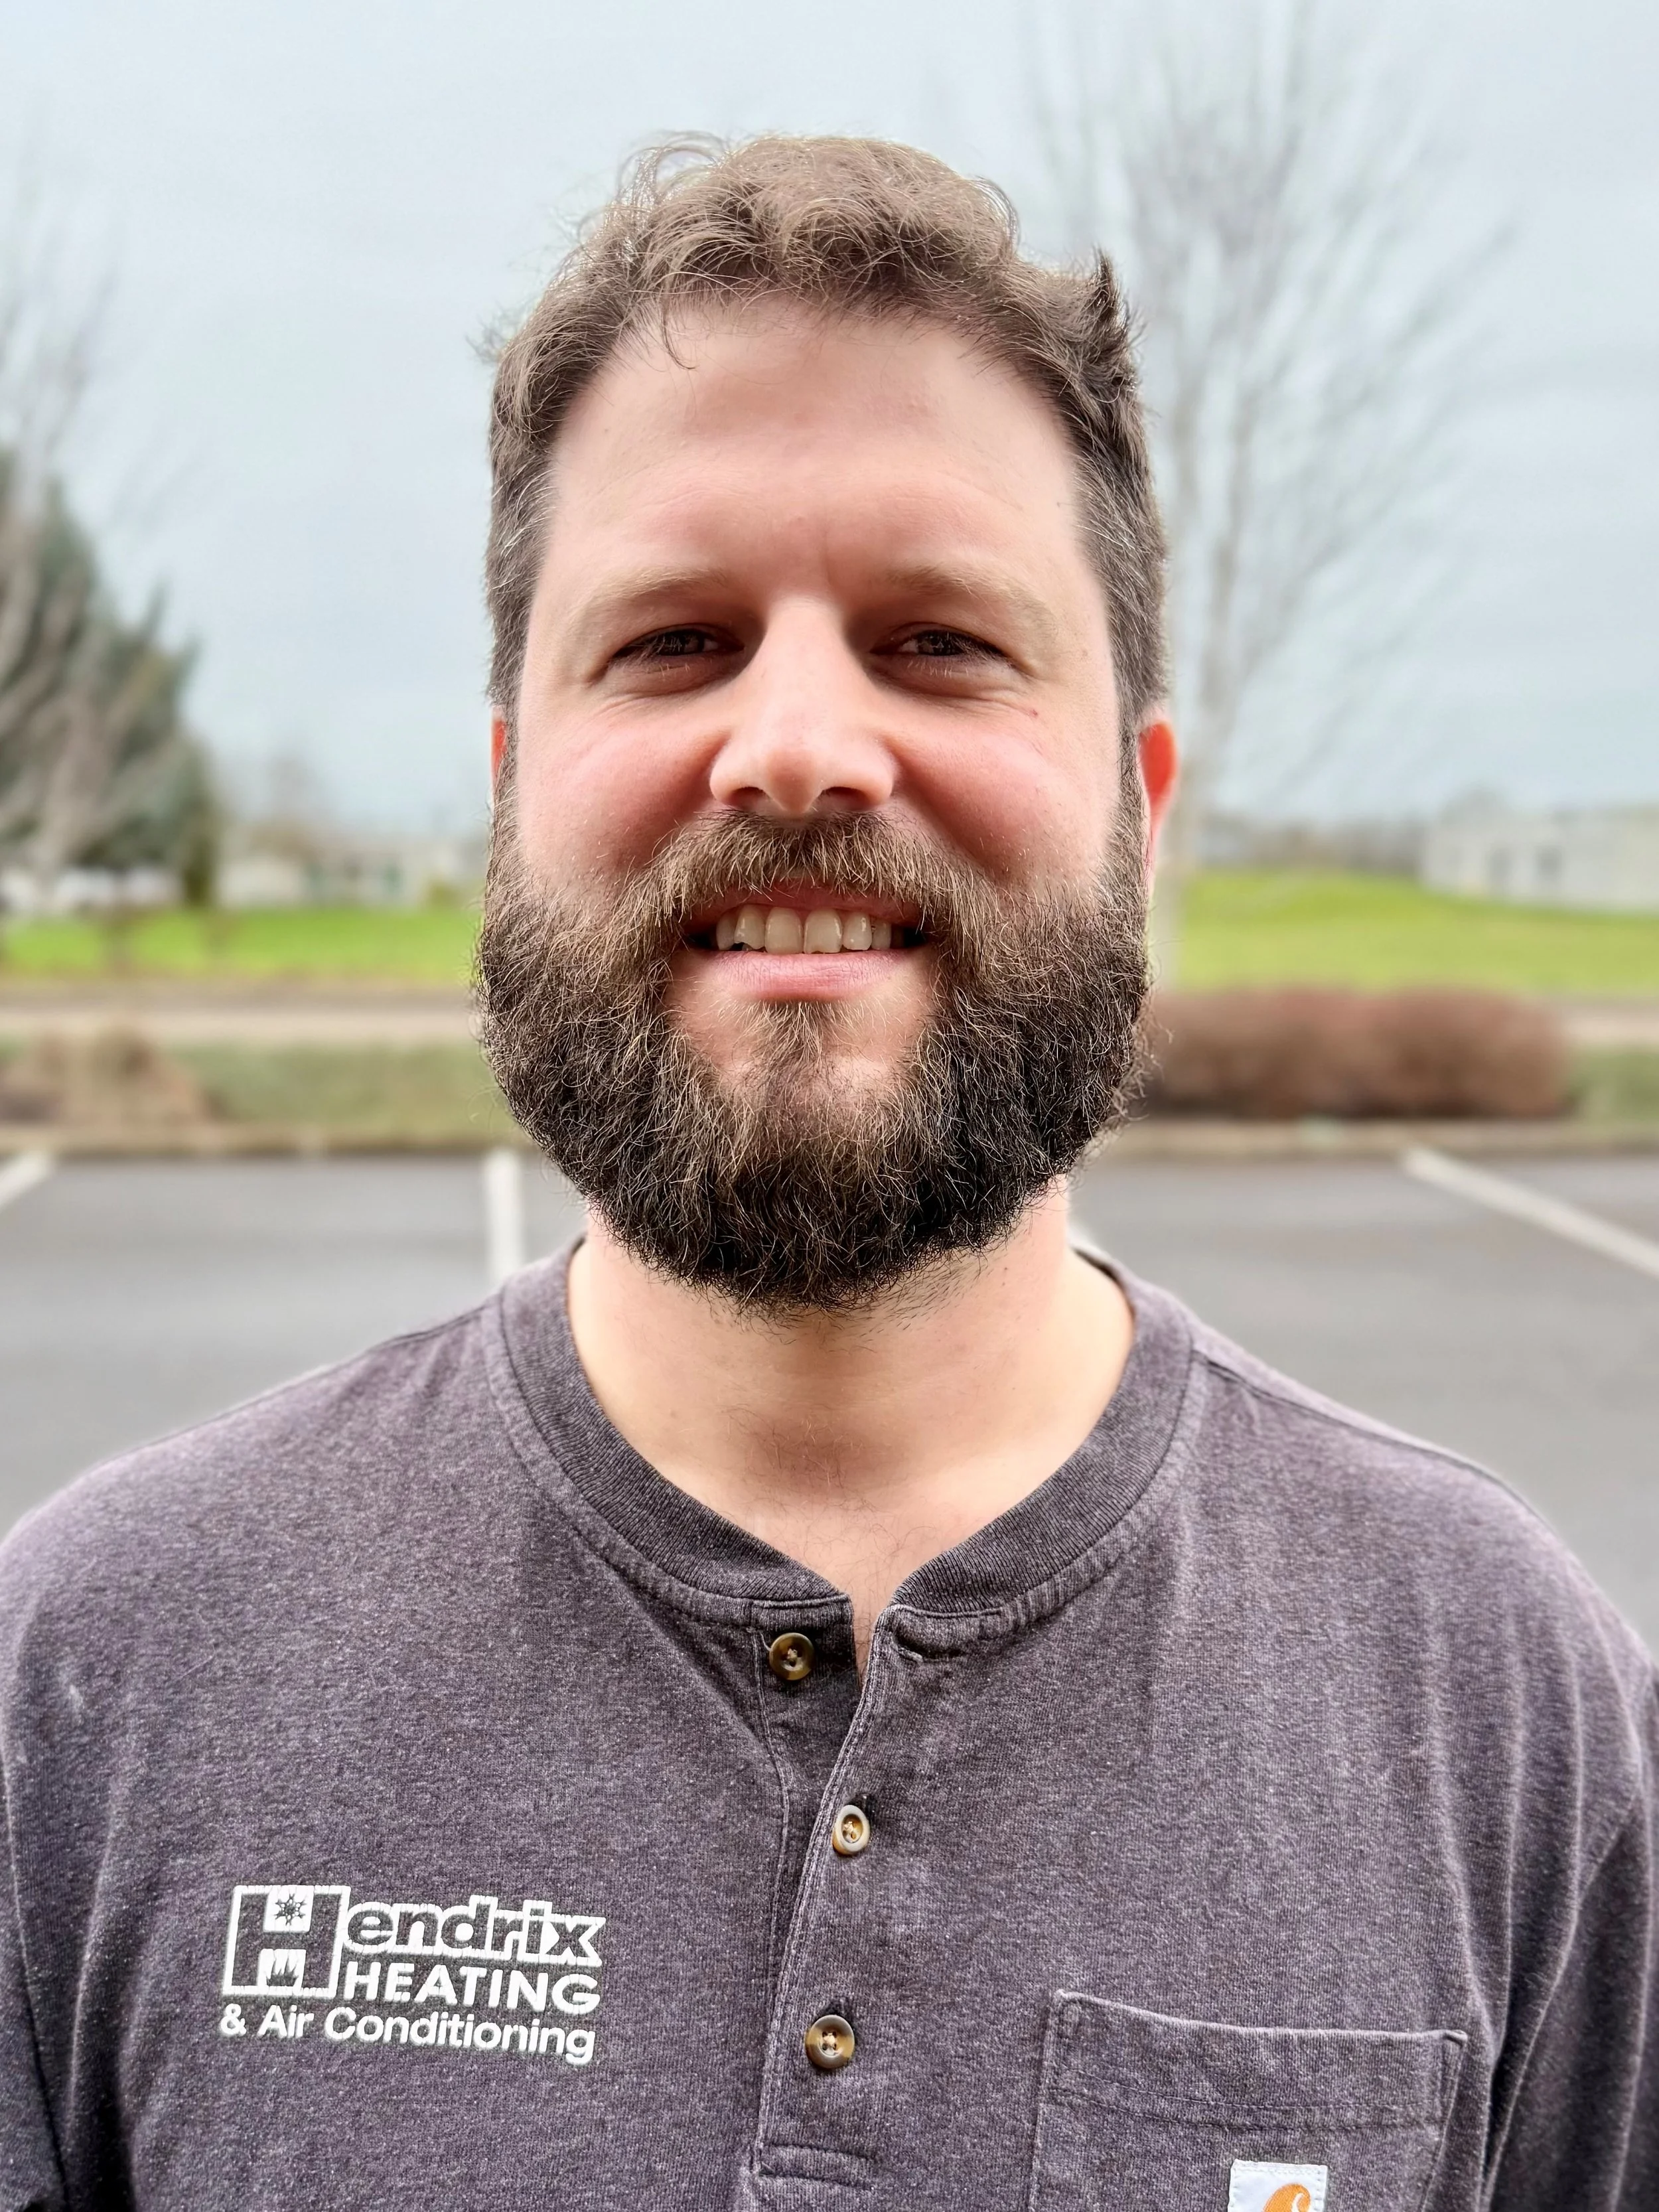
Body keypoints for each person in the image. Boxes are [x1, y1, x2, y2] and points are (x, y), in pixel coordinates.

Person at [0, 136, 1653, 2212]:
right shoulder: (91, 1679)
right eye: (674, 639)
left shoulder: (1503, 1707)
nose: (795, 744)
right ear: (511, 787)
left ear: (1140, 803)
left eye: (941, 639)